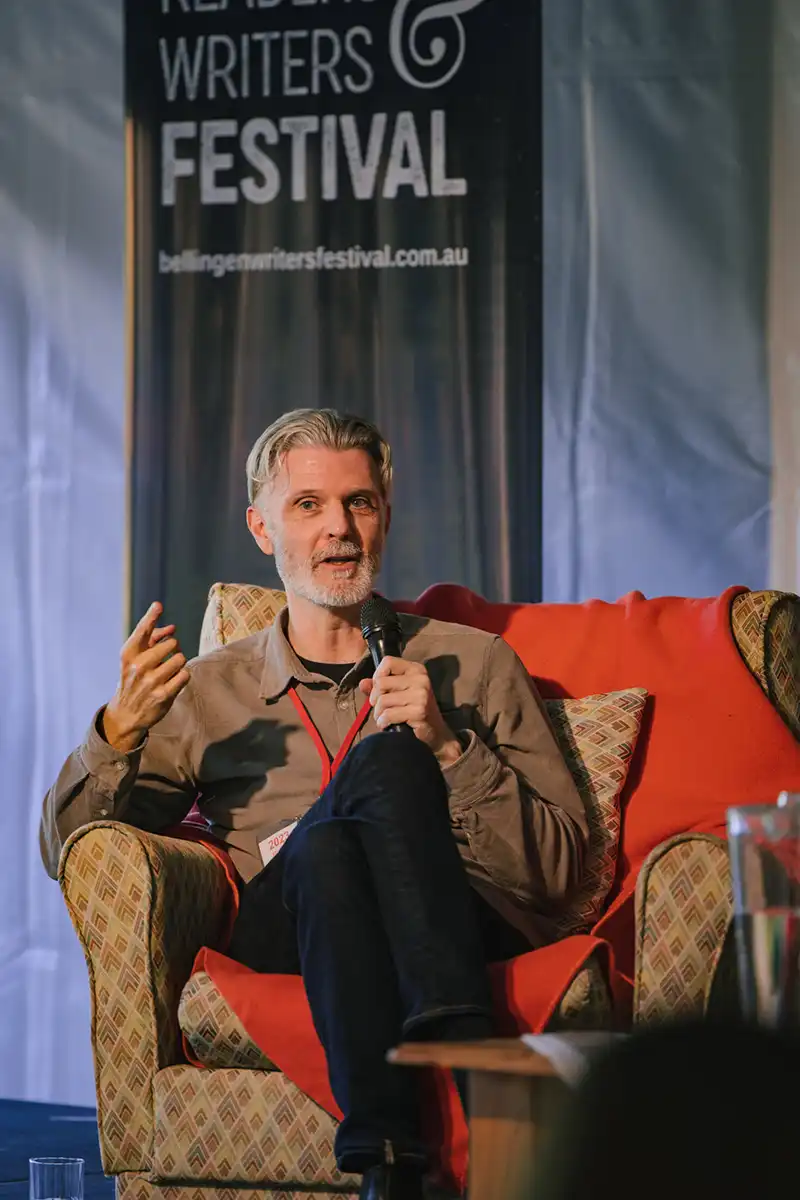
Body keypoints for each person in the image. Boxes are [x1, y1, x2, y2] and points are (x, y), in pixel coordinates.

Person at [41, 409, 588, 1200]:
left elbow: (563, 876)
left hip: (459, 913)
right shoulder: (210, 690)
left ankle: (388, 1162)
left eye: (359, 502)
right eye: (308, 505)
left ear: (385, 517)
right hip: (286, 928)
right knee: (356, 802)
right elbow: (66, 851)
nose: (340, 528)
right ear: (262, 527)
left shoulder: (475, 662)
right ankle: (463, 1041)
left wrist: (447, 748)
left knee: (352, 820)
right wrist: (117, 732)